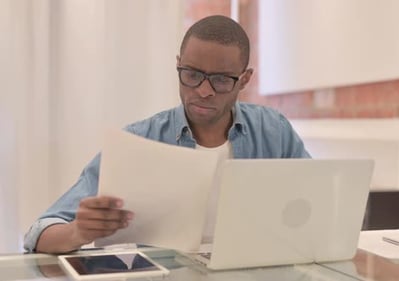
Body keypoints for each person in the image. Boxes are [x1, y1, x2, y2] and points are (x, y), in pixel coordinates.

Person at [24, 15, 310, 254]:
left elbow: (315, 204)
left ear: (244, 79)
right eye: (192, 74)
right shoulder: (139, 140)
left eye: (221, 79)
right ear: (178, 65)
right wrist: (78, 232)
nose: (203, 90)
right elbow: (38, 233)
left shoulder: (273, 130)